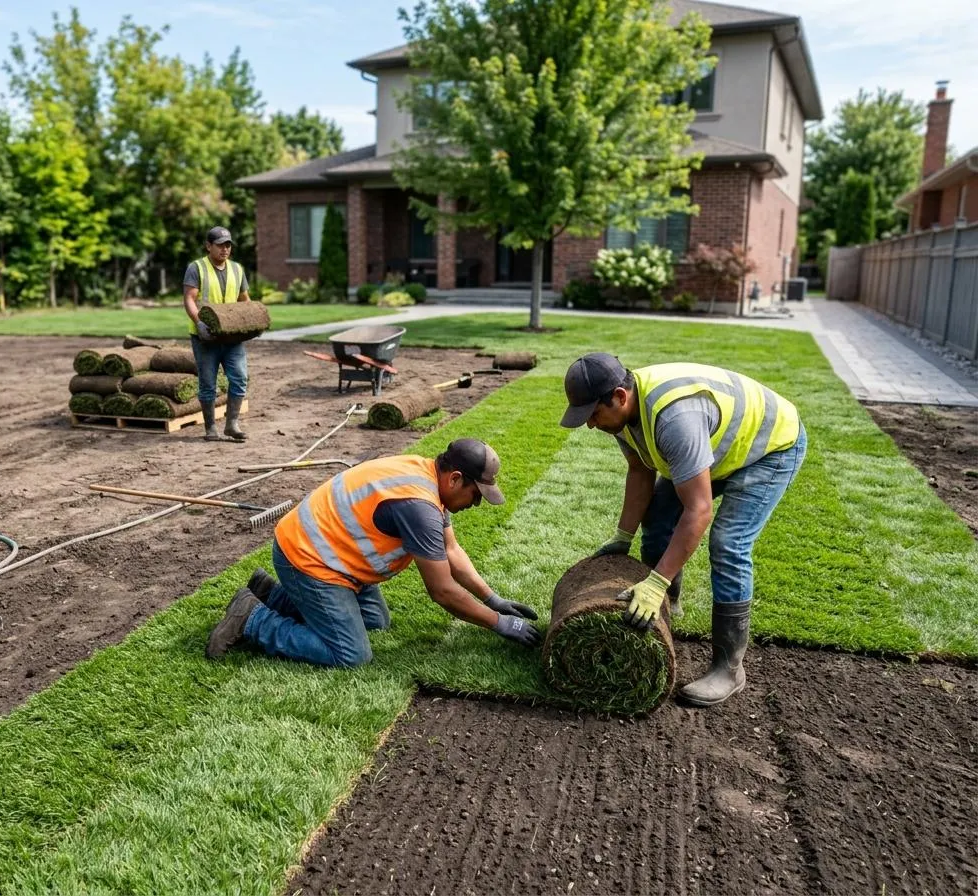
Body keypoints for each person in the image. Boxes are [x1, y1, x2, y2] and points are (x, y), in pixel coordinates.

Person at [560, 352, 807, 707]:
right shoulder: (623, 416)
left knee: (728, 543)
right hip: (717, 447)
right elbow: (640, 471)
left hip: (768, 448)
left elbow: (699, 510)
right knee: (659, 512)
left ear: (619, 396)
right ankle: (667, 606)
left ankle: (729, 669)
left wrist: (654, 581)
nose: (590, 424)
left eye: (593, 414)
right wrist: (623, 537)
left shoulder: (674, 418)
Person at [205, 439, 542, 666]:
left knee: (375, 622)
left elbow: (450, 549)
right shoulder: (418, 505)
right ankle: (252, 618)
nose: (477, 503)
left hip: (335, 557)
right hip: (309, 559)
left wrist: (492, 599)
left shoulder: (426, 475)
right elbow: (442, 590)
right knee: (351, 654)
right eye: (476, 494)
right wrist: (500, 624)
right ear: (455, 479)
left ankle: (270, 594)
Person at [183, 225, 251, 441]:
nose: (225, 249)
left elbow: (244, 300)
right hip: (206, 338)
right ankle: (210, 428)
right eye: (220, 245)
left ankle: (232, 424)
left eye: (228, 245)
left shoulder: (237, 269)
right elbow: (189, 299)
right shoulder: (196, 268)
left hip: (232, 338)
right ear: (208, 246)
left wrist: (251, 321)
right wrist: (200, 323)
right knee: (207, 383)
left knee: (240, 378)